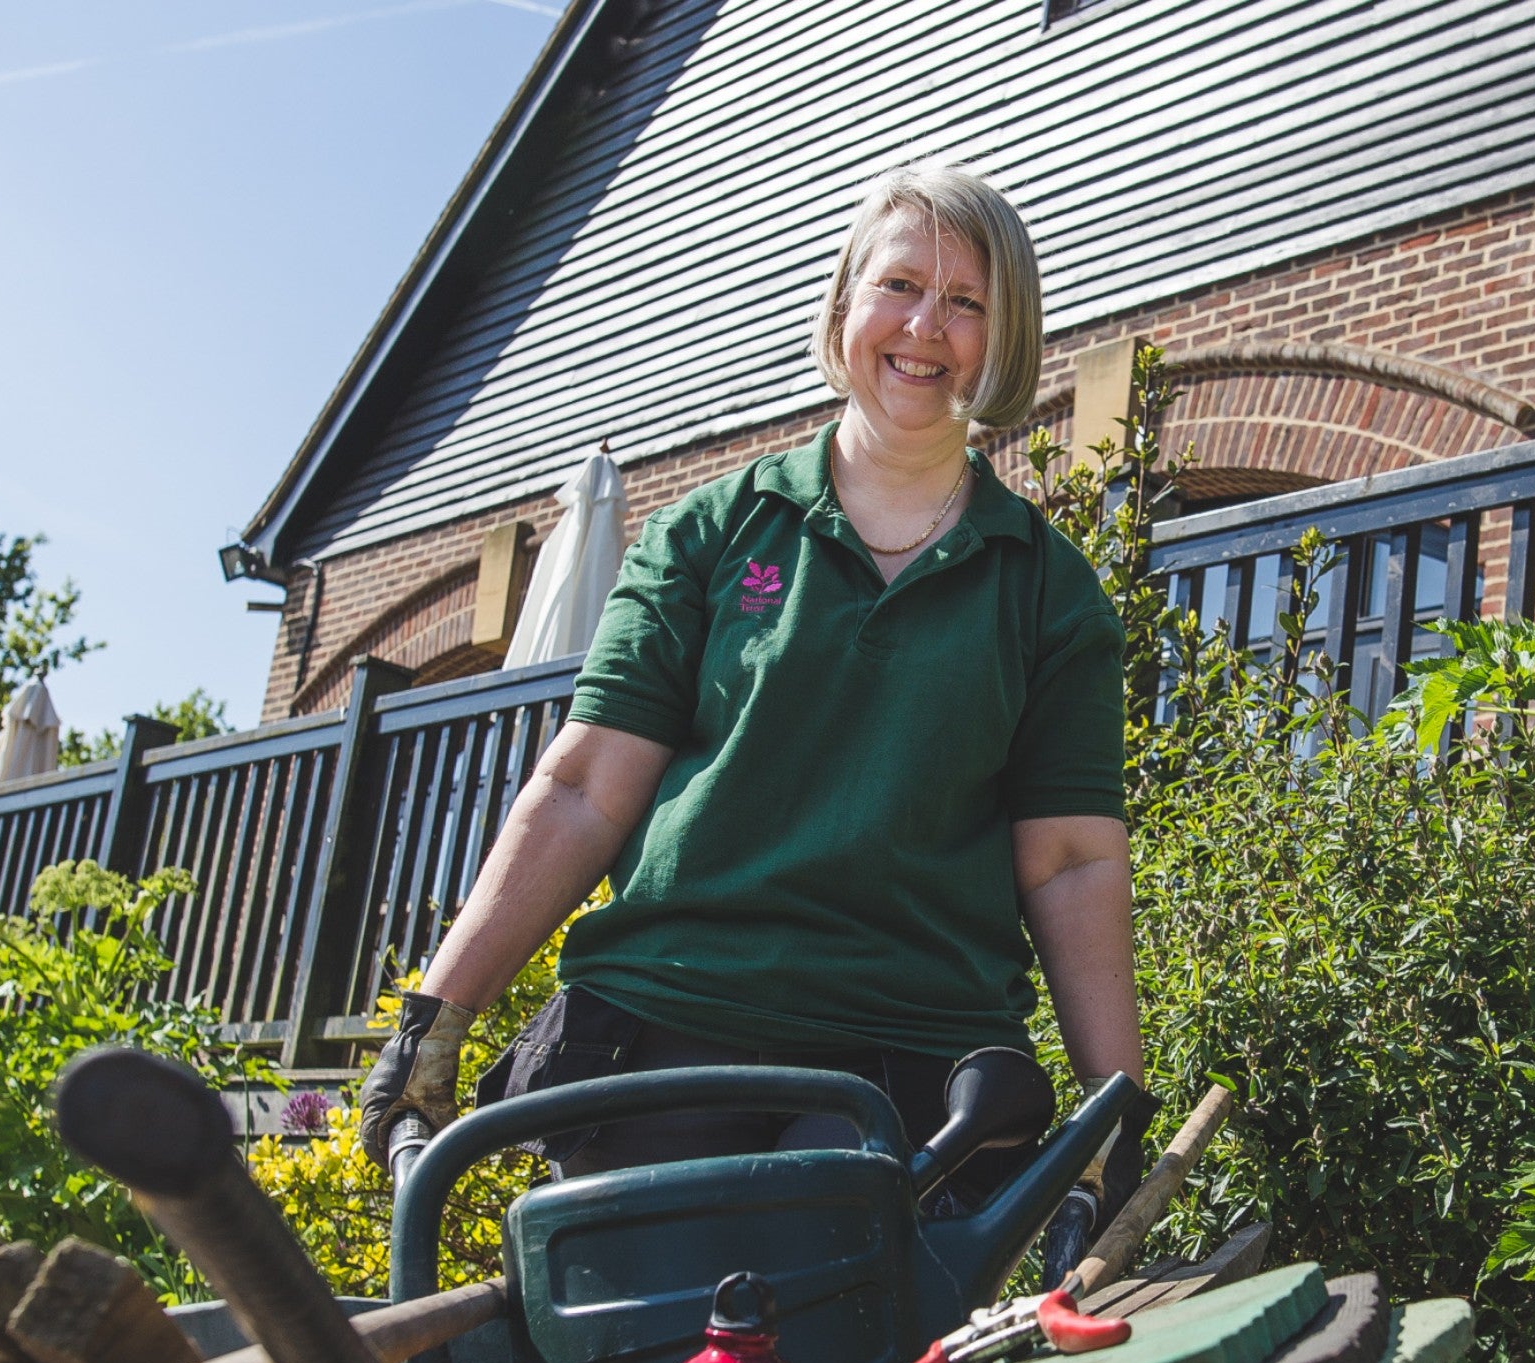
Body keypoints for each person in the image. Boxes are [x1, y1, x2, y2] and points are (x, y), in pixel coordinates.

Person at [359, 161, 1154, 1210]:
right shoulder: (709, 532)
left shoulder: (1049, 591)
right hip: (665, 1032)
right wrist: (438, 1015)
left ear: (1003, 340)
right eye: (900, 286)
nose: (925, 327)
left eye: (967, 304)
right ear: (844, 305)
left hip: (918, 1071)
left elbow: (1068, 864)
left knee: (853, 1359)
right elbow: (587, 787)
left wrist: (1114, 1110)